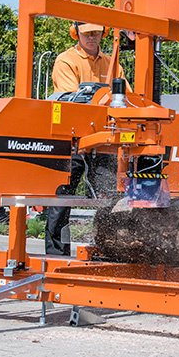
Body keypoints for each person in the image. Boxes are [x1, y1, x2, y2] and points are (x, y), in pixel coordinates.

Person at [45, 22, 127, 256]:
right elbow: (74, 101)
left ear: (104, 33)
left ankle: (110, 249)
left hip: (102, 140)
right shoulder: (66, 61)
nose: (92, 37)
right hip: (71, 140)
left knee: (110, 196)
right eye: (87, 33)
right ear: (76, 34)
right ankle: (57, 254)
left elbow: (124, 95)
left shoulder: (112, 64)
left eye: (96, 33)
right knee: (61, 199)